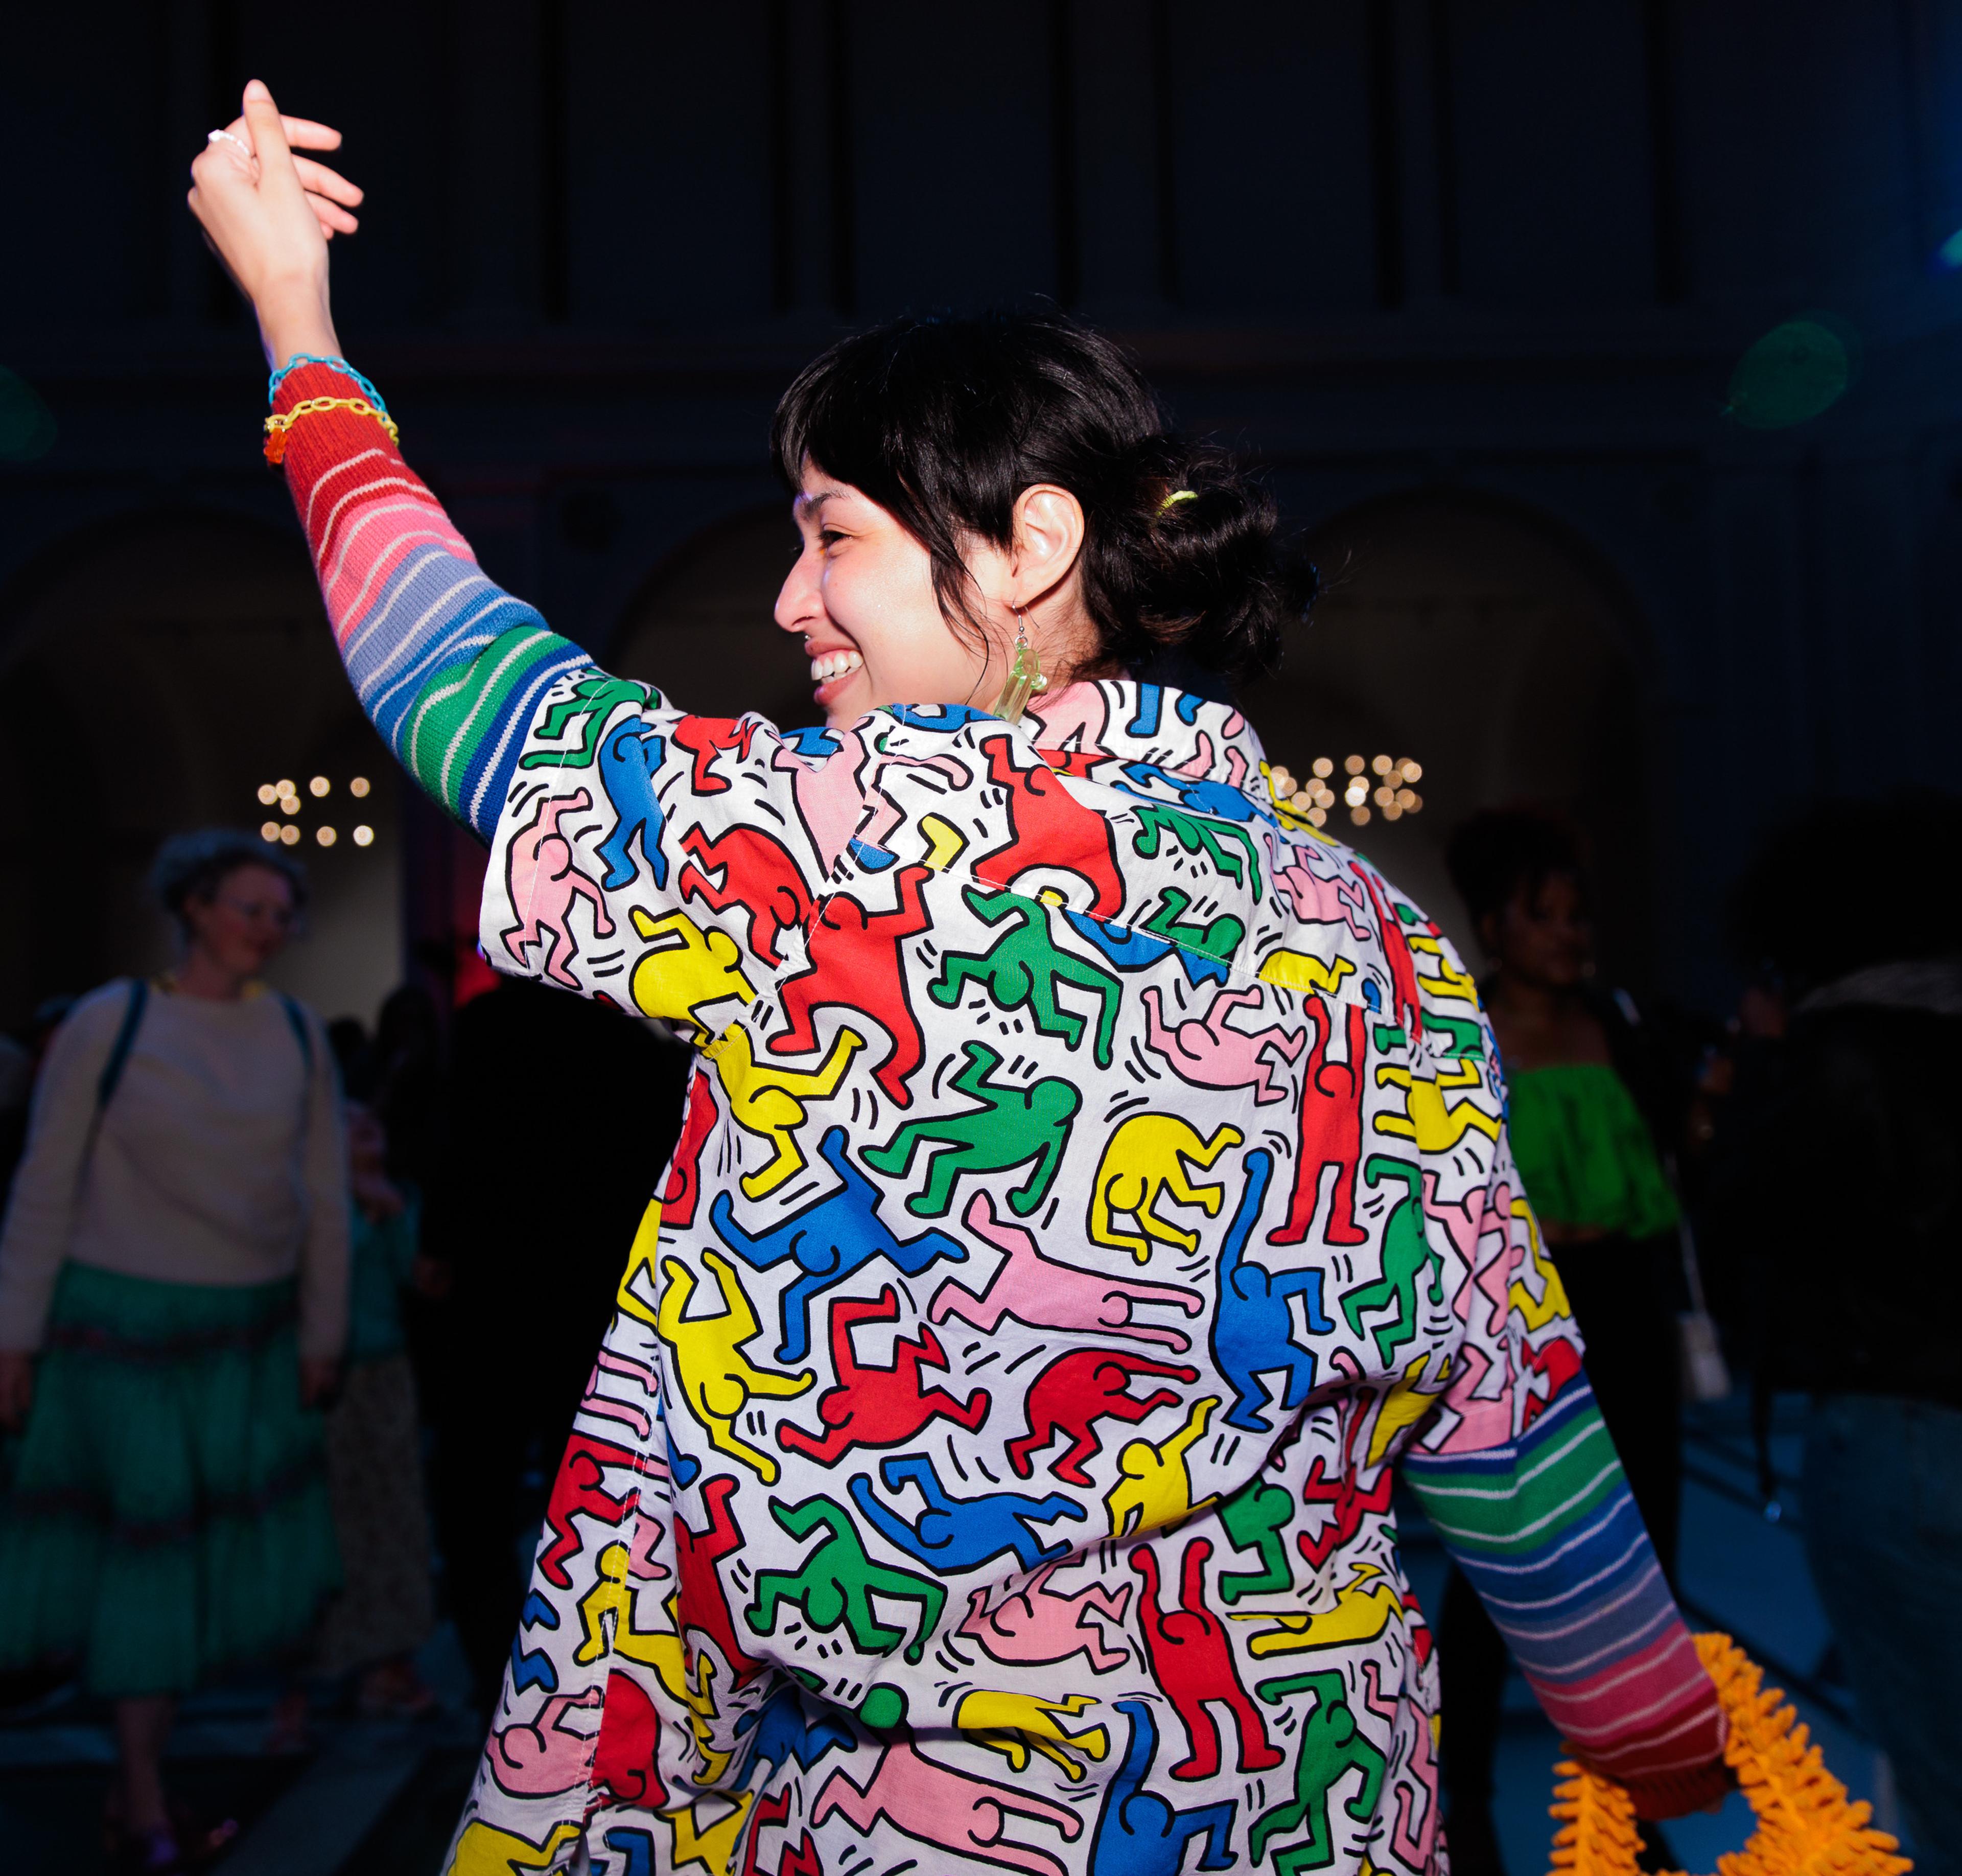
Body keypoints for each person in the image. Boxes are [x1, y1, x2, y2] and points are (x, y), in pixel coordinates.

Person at [187, 84, 1731, 1876]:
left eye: (831, 531)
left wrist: (302, 336)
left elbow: (464, 679)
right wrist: (1653, 1730)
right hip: (1286, 1806)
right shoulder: (1363, 927)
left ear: (1032, 546)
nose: (789, 598)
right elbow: (1498, 1389)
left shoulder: (812, 852)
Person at [0, 827, 346, 1872]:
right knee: (148, 1570)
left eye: (281, 913)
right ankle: (144, 1796)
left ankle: (133, 1779)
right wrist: (12, 1334)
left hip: (243, 1335)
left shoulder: (294, 1029)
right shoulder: (114, 1022)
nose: (268, 928)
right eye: (249, 906)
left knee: (199, 1574)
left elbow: (324, 1191)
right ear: (193, 906)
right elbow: (45, 1184)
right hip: (125, 1335)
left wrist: (323, 1328)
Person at [1435, 807, 1693, 1872]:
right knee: (1497, 1590)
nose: (1568, 933)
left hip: (1632, 1322)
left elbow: (1677, 1155)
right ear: (1495, 924)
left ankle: (1635, 1829)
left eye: (1577, 913)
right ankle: (1465, 1815)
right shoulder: (1464, 1031)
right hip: (1521, 1336)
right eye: (1544, 915)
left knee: (1644, 1584)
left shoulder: (1624, 1023)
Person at [1710, 795, 1962, 1875]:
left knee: (1938, 1760)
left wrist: (1761, 1068)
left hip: (1893, 1427)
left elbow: (1747, 1212)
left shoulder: (1835, 1055)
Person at [421, 976, 691, 1717]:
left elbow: (459, 1141)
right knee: (587, 1490)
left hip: (497, 1287)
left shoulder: (491, 1023)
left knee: (477, 1487)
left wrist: (438, 1243)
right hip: (595, 1294)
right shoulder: (639, 1039)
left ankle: (493, 1669)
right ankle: (574, 1667)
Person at [315, 1077, 440, 1719]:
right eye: (354, 1128)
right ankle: (338, 1661)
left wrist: (390, 1217)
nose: (370, 1139)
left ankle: (392, 1660)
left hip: (386, 1372)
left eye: (374, 1128)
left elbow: (413, 1279)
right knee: (338, 1518)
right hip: (328, 1377)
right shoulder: (317, 1204)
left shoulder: (397, 1199)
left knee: (393, 1514)